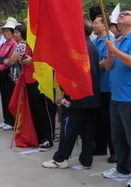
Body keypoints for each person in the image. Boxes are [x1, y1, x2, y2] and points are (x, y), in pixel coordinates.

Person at [43, 19, 101, 169]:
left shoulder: (78, 48)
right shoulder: (92, 45)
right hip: (92, 95)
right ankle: (86, 160)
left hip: (77, 95)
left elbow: (71, 73)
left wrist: (63, 92)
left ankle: (61, 158)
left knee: (69, 128)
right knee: (88, 130)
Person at [102, 9, 131, 187]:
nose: (122, 15)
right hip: (116, 95)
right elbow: (107, 67)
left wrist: (114, 49)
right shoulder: (118, 41)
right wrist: (110, 52)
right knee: (118, 136)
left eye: (127, 14)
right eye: (121, 14)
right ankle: (122, 167)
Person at [92, 15, 114, 161]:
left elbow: (106, 64)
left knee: (109, 121)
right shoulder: (95, 42)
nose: (93, 25)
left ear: (104, 25)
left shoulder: (108, 42)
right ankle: (100, 146)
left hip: (108, 86)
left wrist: (91, 66)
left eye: (96, 23)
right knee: (98, 119)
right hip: (98, 86)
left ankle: (114, 151)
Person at [0, 18, 19, 130]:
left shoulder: (14, 45)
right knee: (3, 97)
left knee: (9, 97)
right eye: (5, 31)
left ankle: (11, 121)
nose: (6, 33)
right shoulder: (3, 45)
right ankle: (6, 119)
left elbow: (9, 61)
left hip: (9, 75)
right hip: (1, 74)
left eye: (8, 31)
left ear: (13, 33)